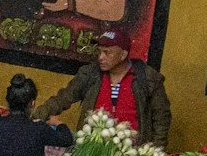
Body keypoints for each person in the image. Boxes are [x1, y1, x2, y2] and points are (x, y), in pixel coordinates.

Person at [36, 28, 171, 149]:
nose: (100, 57)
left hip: (131, 154)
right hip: (92, 149)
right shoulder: (89, 74)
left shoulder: (148, 79)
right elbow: (63, 98)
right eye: (99, 51)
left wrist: (155, 152)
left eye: (107, 53)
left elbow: (161, 118)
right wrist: (34, 118)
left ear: (123, 55)